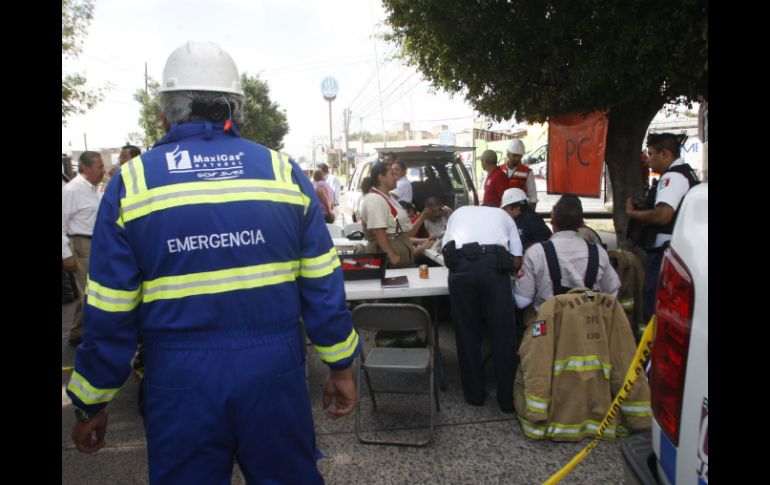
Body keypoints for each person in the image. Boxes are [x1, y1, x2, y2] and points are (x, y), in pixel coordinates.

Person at [66, 41, 360, 484]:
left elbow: (110, 310)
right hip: (274, 372)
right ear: (237, 108)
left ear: (165, 113)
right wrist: (340, 364)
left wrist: (93, 400)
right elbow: (323, 282)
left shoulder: (133, 183)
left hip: (180, 380)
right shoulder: (283, 173)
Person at [441, 205, 523, 413]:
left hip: (460, 266)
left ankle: (474, 395)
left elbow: (445, 251)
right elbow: (517, 259)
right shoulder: (505, 216)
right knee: (503, 334)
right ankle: (507, 399)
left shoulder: (457, 213)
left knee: (466, 331)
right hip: (494, 266)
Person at [626, 132, 699, 323]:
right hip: (676, 249)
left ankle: (651, 350)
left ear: (665, 153)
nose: (648, 160)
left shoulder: (673, 177)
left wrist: (634, 215)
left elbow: (663, 215)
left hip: (664, 253)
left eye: (651, 154)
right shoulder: (686, 173)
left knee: (654, 303)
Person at [514, 195, 620, 319]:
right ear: (581, 224)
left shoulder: (535, 253)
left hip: (548, 330)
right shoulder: (598, 253)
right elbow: (612, 293)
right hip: (589, 329)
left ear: (552, 221)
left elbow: (522, 301)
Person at [62, 151, 105, 346]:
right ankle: (93, 338)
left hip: (96, 243)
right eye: (99, 166)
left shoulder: (95, 189)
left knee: (87, 290)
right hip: (81, 244)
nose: (103, 170)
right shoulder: (72, 190)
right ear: (85, 168)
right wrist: (66, 254)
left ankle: (77, 332)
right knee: (91, 291)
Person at [359, 162, 421, 268]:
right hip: (389, 261)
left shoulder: (387, 197)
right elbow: (378, 230)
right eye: (392, 174)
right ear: (381, 177)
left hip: (401, 255)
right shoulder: (374, 199)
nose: (396, 177)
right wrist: (392, 255)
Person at [503, 139, 538, 211]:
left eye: (519, 156)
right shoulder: (499, 170)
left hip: (520, 211)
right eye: (514, 155)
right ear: (508, 154)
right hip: (503, 209)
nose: (517, 158)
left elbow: (533, 197)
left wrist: (531, 215)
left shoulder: (528, 172)